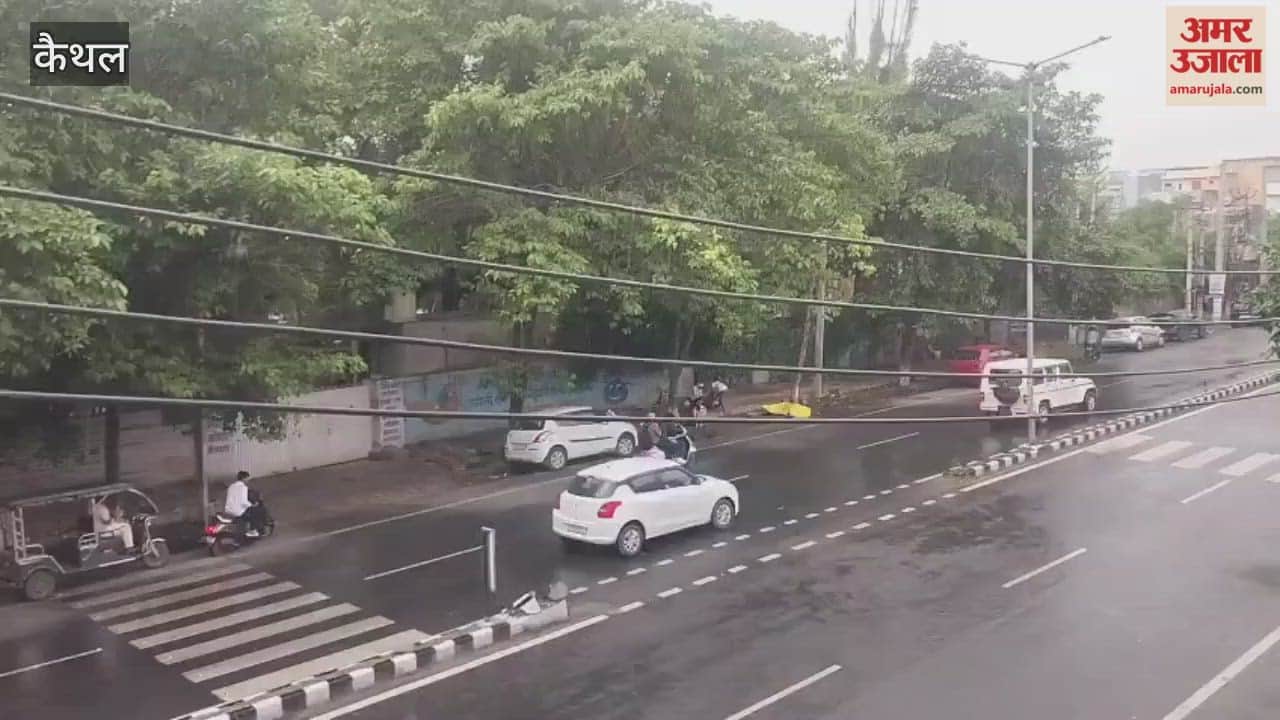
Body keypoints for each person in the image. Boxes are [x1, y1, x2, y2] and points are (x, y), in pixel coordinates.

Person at [225, 471, 266, 537]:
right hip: (238, 511)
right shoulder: (243, 487)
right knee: (256, 511)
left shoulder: (231, 486)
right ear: (244, 478)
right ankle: (252, 531)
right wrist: (253, 505)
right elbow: (243, 502)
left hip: (228, 509)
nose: (248, 480)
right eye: (247, 478)